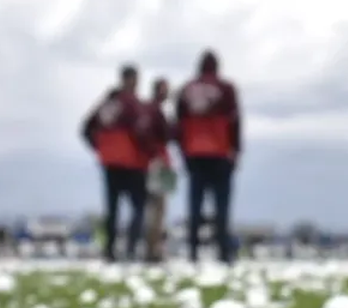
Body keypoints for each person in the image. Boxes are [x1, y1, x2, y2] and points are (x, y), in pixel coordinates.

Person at [81, 64, 161, 262]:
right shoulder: (132, 104)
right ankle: (131, 248)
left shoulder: (106, 104)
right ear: (133, 80)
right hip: (133, 163)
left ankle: (110, 250)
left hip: (110, 163)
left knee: (112, 208)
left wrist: (101, 148)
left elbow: (86, 128)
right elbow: (142, 132)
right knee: (138, 206)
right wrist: (151, 153)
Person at [175, 49, 241, 264]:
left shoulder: (186, 90)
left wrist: (183, 151)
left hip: (194, 153)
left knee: (195, 204)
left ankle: (193, 251)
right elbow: (235, 121)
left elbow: (178, 126)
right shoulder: (226, 89)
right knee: (221, 206)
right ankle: (222, 251)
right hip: (220, 153)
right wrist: (236, 151)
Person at [143, 77, 176, 262]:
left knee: (157, 209)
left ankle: (154, 247)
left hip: (158, 161)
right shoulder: (157, 111)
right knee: (158, 209)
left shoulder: (151, 110)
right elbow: (169, 133)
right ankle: (154, 249)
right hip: (159, 162)